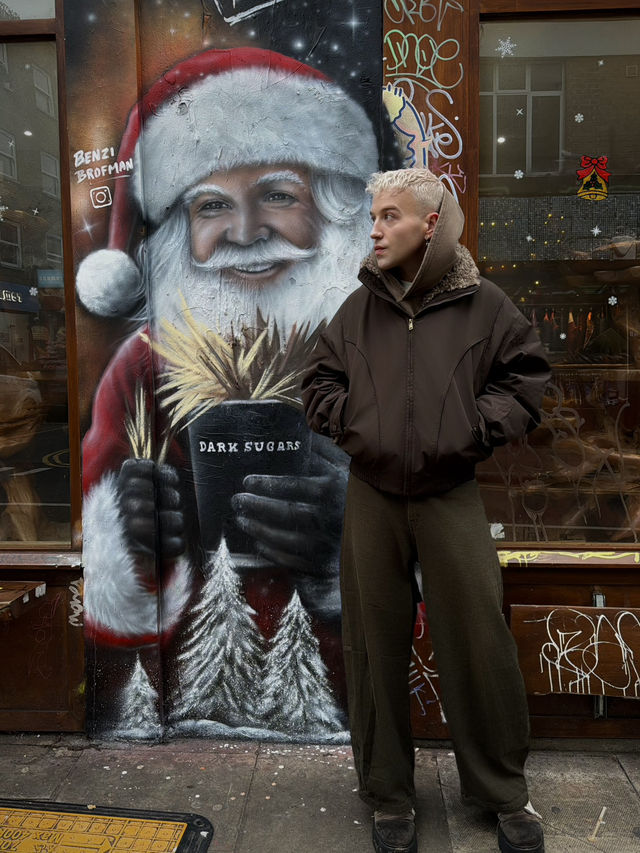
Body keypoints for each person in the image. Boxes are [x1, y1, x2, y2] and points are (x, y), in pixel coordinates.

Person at [76, 47, 378, 729]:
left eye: (277, 193)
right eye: (212, 204)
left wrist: (357, 539)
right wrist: (129, 544)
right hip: (195, 702)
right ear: (184, 231)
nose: (245, 233)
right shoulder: (142, 368)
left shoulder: (378, 349)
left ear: (331, 209)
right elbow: (106, 634)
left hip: (359, 701)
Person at [302, 168, 551, 853]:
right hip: (373, 495)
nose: (375, 229)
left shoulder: (486, 305)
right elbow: (317, 381)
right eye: (373, 217)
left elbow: (526, 380)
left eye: (390, 216)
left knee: (478, 637)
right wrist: (359, 426)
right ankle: (389, 797)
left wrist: (470, 429)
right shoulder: (359, 309)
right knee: (372, 642)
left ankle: (503, 792)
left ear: (430, 224)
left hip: (450, 493)